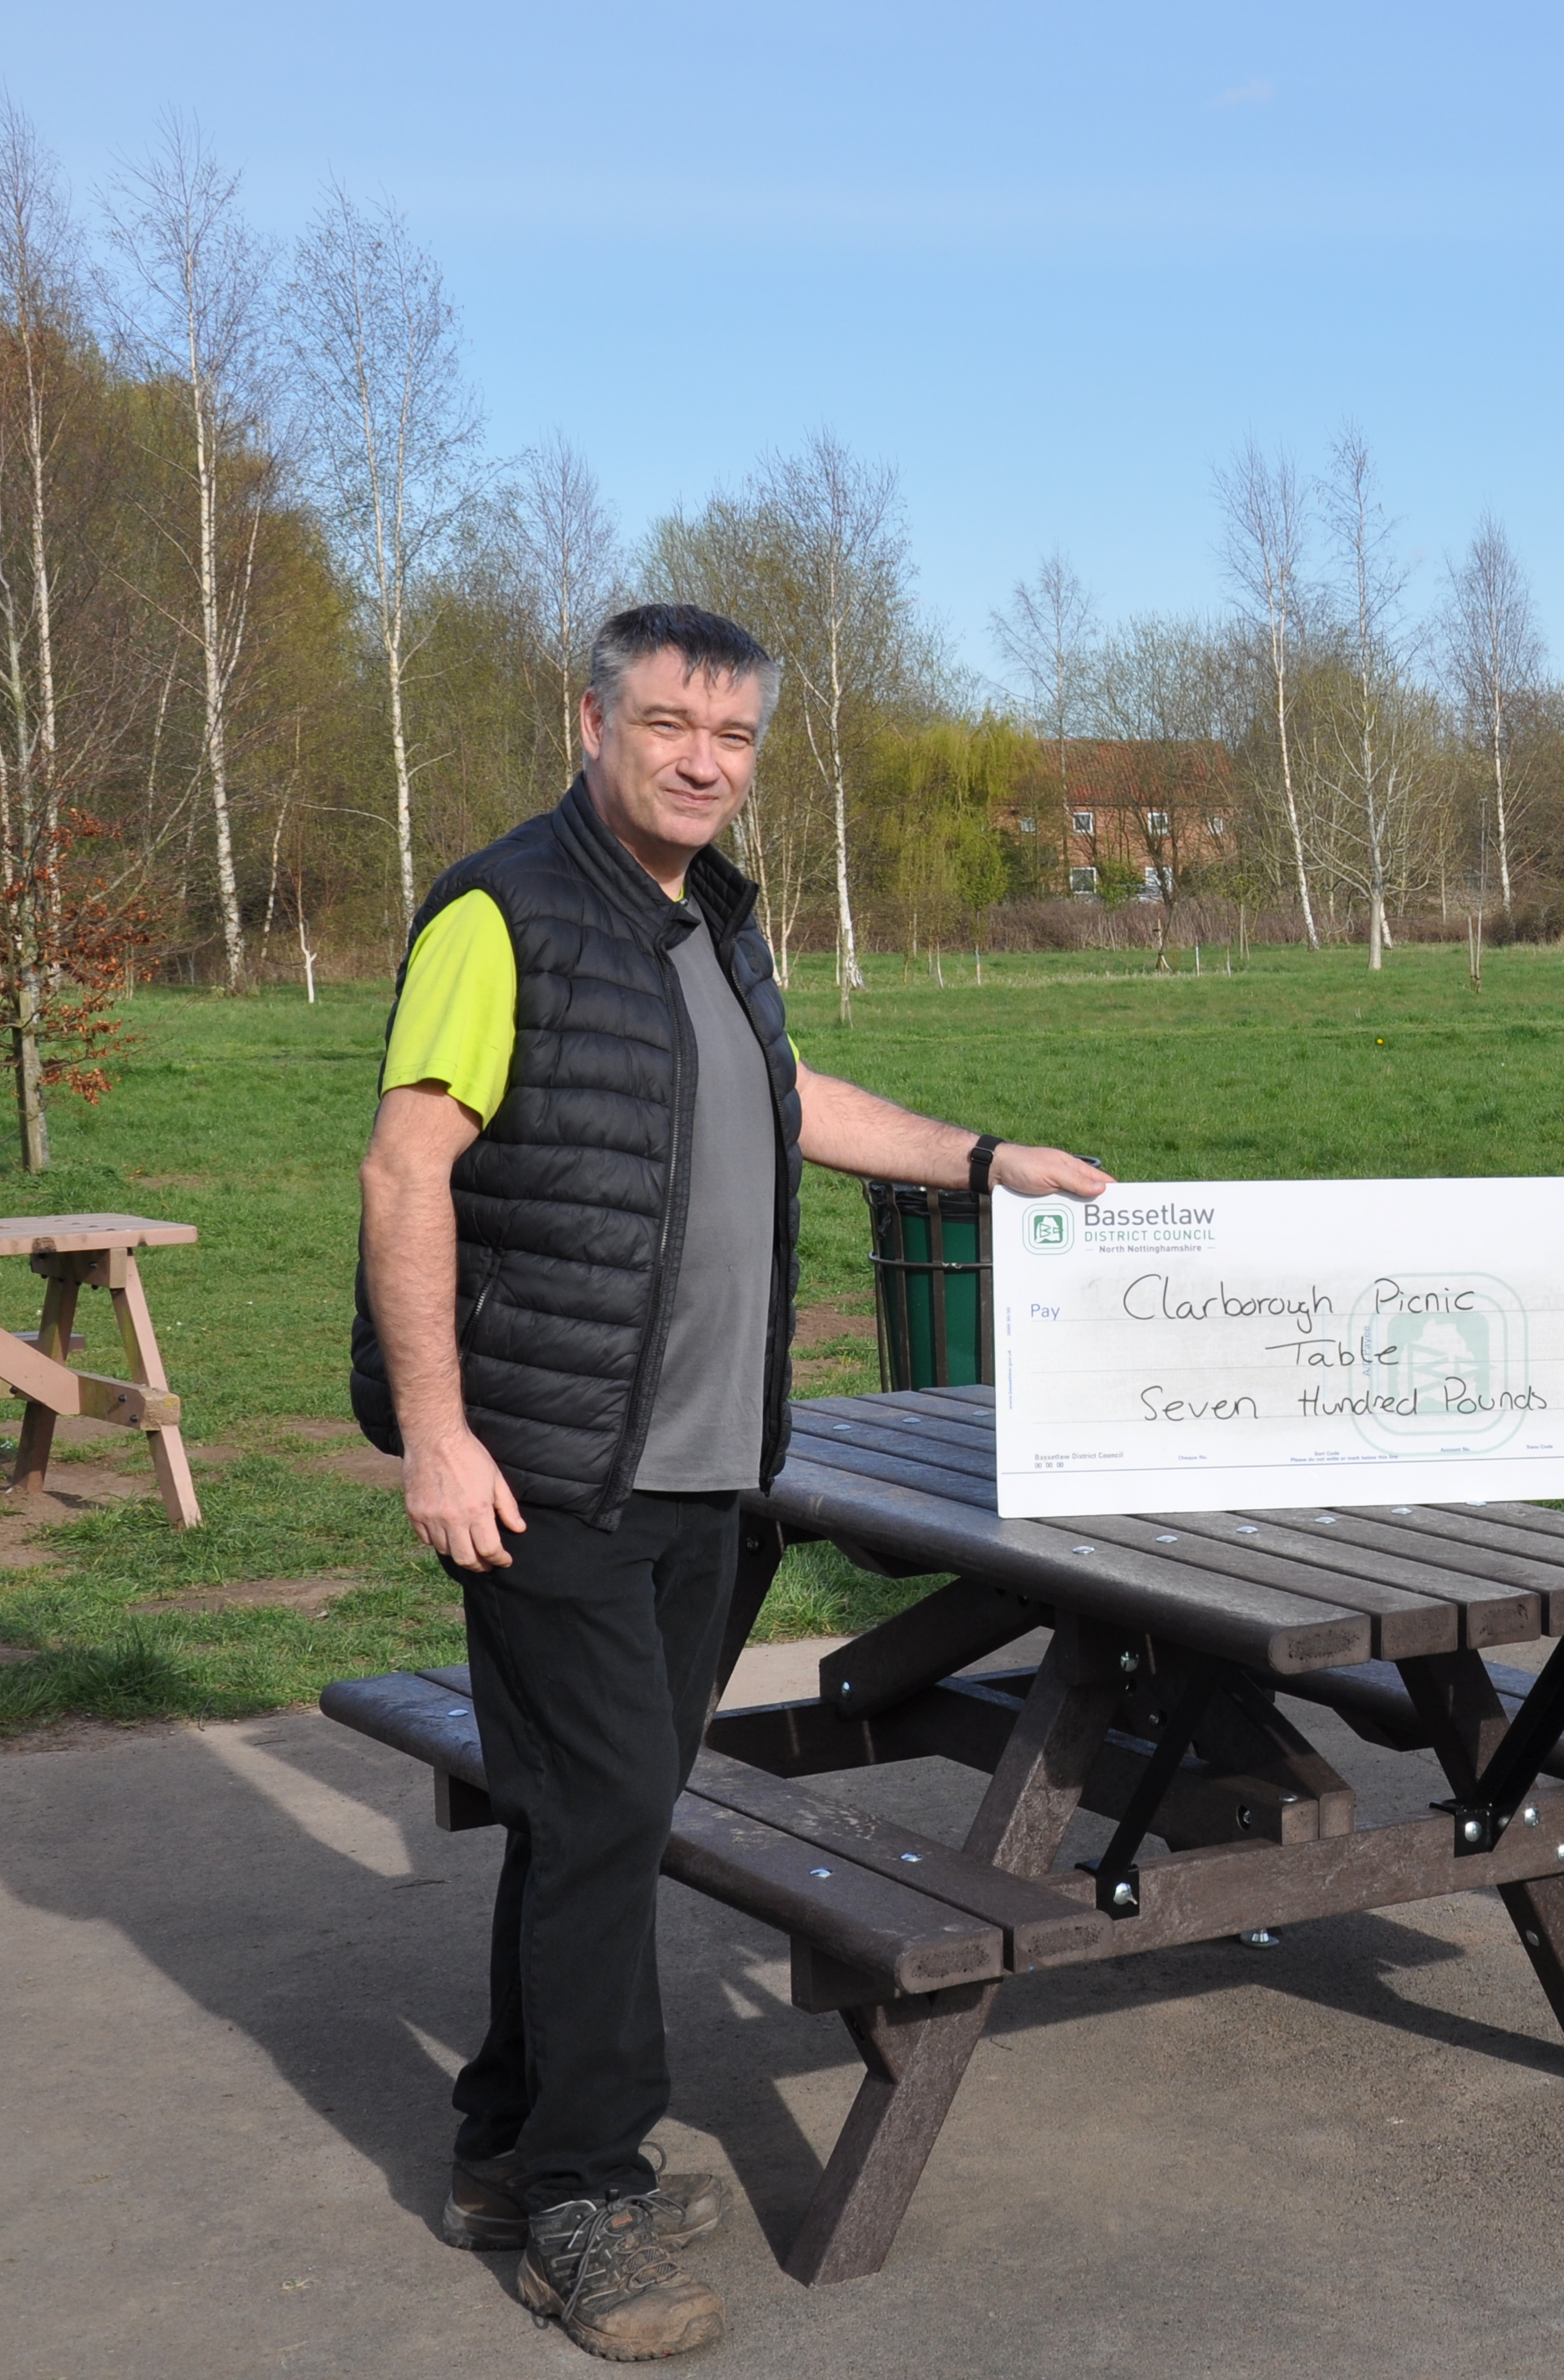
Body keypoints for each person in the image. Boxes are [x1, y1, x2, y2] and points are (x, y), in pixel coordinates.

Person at [352, 604, 1107, 2360]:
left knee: (588, 1811)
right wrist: (440, 1433)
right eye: (670, 721)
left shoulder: (714, 923)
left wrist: (983, 1157)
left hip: (707, 1466)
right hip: (551, 1466)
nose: (702, 756)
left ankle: (502, 2143)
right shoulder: (504, 909)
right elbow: (406, 1170)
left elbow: (785, 1099)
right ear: (592, 718)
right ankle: (584, 2196)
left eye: (733, 733)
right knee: (616, 1810)